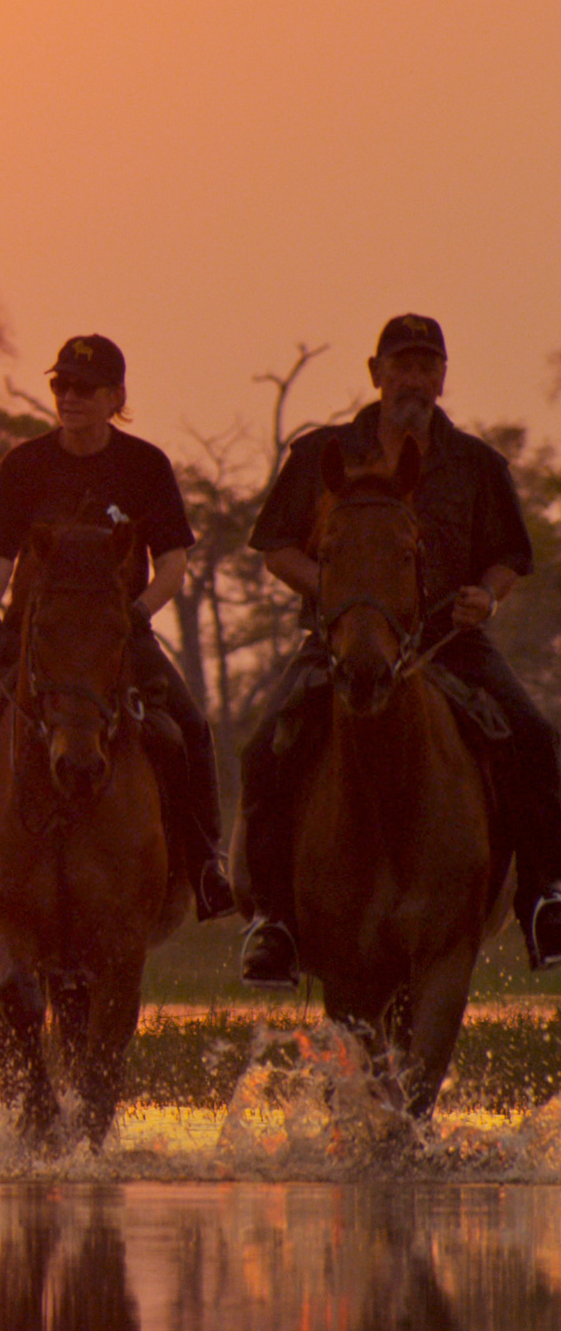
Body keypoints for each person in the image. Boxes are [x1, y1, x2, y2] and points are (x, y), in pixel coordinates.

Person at [236, 313, 561, 986]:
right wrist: (327, 586)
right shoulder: (323, 452)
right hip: (345, 641)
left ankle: (545, 899)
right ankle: (273, 920)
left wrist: (488, 596)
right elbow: (275, 547)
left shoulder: (475, 463)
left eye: (426, 366)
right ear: (375, 374)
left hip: (450, 640)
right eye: (401, 365)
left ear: (442, 377)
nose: (413, 379)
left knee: (532, 736)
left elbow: (509, 557)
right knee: (265, 744)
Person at [0, 334, 236, 923]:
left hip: (118, 634)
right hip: (33, 636)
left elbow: (174, 562)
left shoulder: (145, 465)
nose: (68, 397)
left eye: (83, 388)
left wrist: (139, 612)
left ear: (115, 396)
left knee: (192, 730)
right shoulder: (25, 464)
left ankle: (205, 867)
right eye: (61, 386)